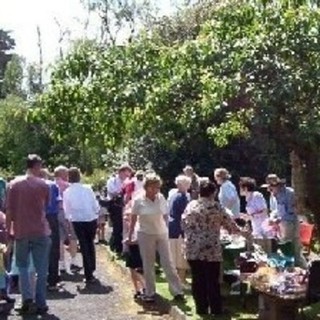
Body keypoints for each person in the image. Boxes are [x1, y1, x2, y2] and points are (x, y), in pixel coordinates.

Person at [182, 180, 249, 316]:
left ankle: (201, 309)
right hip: (211, 249)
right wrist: (243, 231)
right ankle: (216, 309)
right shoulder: (216, 207)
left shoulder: (191, 205)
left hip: (193, 248)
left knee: (197, 279)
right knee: (212, 280)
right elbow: (231, 226)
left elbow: (183, 223)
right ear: (214, 193)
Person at [127, 173, 184, 303]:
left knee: (167, 262)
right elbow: (133, 219)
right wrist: (130, 236)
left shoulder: (161, 198)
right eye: (152, 188)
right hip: (145, 234)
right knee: (148, 264)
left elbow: (165, 215)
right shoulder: (138, 200)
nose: (154, 190)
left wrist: (166, 229)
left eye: (157, 188)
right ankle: (150, 292)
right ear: (146, 187)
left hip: (161, 233)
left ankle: (177, 291)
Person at [6, 154, 51, 315]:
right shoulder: (44, 185)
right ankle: (41, 302)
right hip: (40, 230)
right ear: (37, 166)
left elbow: (9, 210)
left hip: (21, 230)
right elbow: (45, 207)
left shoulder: (13, 184)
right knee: (41, 268)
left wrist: (8, 230)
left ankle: (27, 299)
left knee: (23, 266)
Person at [63, 167, 100, 284]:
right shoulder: (88, 189)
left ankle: (88, 273)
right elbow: (95, 204)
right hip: (90, 218)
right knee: (90, 243)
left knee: (83, 244)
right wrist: (96, 213)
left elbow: (66, 210)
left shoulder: (67, 192)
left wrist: (69, 221)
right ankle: (91, 268)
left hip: (77, 220)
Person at [265, 174, 307, 268]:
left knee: (293, 251)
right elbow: (278, 210)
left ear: (277, 186)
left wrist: (277, 220)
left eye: (271, 187)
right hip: (283, 225)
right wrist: (272, 217)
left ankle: (305, 271)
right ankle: (291, 272)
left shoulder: (289, 193)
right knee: (286, 252)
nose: (270, 190)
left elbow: (291, 212)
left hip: (291, 224)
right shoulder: (276, 195)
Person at [54, 165, 79, 273]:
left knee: (60, 239)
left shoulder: (51, 185)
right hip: (67, 212)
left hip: (55, 213)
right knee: (73, 237)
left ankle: (61, 264)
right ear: (62, 174)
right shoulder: (67, 186)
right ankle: (73, 261)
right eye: (66, 173)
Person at [40, 169, 62, 290]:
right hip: (51, 217)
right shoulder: (53, 185)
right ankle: (53, 279)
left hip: (36, 217)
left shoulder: (32, 185)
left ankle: (39, 278)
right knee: (53, 248)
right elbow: (59, 202)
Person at [168, 175, 191, 286]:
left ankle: (179, 279)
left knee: (174, 254)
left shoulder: (173, 195)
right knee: (181, 255)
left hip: (172, 227)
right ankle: (181, 280)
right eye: (187, 184)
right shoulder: (182, 197)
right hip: (179, 229)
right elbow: (185, 215)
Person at [106, 164, 132, 254]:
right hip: (115, 206)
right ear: (121, 172)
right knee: (117, 226)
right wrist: (123, 191)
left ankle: (125, 247)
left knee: (126, 226)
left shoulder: (129, 181)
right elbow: (113, 191)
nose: (127, 176)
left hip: (126, 205)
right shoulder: (112, 181)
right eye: (126, 174)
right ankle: (117, 247)